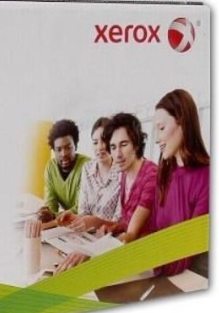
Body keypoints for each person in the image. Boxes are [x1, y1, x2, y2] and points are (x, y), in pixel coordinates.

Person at [56, 113, 156, 273]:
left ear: (136, 144)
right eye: (113, 147)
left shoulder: (151, 175)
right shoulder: (125, 174)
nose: (118, 154)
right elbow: (124, 223)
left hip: (150, 261)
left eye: (124, 145)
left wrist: (91, 250)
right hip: (129, 255)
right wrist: (103, 227)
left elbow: (131, 234)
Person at [152, 89, 210, 276]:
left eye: (161, 128)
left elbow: (190, 247)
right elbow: (156, 232)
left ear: (182, 122)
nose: (157, 139)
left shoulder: (207, 177)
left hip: (192, 277)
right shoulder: (164, 175)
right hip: (161, 270)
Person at [59, 117, 121, 232]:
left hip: (109, 236)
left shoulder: (122, 173)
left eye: (104, 141)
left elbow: (119, 222)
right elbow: (83, 211)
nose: (99, 147)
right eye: (95, 142)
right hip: (87, 234)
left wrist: (95, 223)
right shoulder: (87, 169)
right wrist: (75, 218)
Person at [37, 119, 90, 225]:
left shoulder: (87, 166)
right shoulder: (50, 168)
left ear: (76, 146)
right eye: (59, 149)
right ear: (53, 150)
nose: (63, 154)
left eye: (68, 148)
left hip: (88, 223)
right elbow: (50, 204)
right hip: (68, 225)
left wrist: (53, 216)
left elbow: (81, 208)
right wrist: (47, 213)